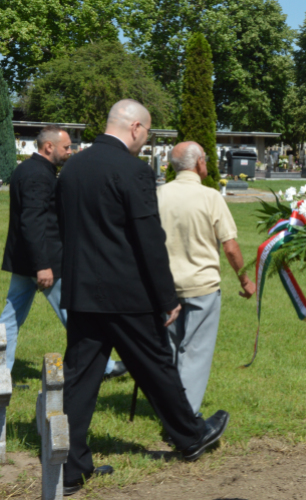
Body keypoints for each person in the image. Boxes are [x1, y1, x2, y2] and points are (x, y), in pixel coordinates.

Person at [56, 100, 229, 495]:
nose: (145, 139)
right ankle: (190, 435)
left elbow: (67, 228)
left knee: (79, 380)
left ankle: (69, 465)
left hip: (83, 291)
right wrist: (167, 297)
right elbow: (150, 241)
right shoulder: (133, 171)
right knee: (157, 366)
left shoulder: (73, 167)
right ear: (135, 128)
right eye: (147, 132)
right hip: (127, 294)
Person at [0, 126, 125, 380]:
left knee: (10, 319)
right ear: (49, 147)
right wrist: (42, 265)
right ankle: (104, 367)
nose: (71, 151)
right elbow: (32, 222)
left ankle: (3, 372)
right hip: (44, 263)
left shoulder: (29, 169)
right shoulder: (38, 175)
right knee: (76, 315)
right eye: (66, 147)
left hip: (28, 261)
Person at [158, 141, 257, 416]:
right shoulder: (210, 197)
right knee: (195, 352)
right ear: (199, 162)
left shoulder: (158, 195)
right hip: (201, 286)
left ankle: (169, 408)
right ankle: (185, 418)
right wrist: (245, 281)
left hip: (165, 286)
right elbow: (230, 246)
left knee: (171, 349)